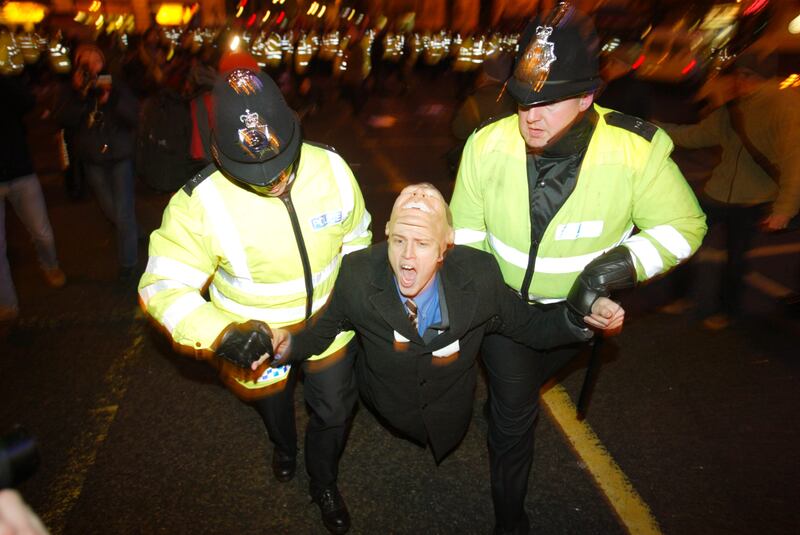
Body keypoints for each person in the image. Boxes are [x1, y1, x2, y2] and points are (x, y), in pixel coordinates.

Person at [449, 5, 707, 534]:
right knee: (512, 414)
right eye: (523, 101)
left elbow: (685, 226)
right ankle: (509, 520)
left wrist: (613, 271)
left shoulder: (635, 151)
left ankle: (506, 398)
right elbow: (468, 237)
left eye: (548, 101)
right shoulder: (486, 144)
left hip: (578, 316)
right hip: (505, 314)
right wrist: (484, 304)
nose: (531, 117)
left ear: (588, 95)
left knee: (520, 389)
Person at [137, 68, 372, 535]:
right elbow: (162, 286)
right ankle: (283, 446)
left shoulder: (331, 168)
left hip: (328, 327)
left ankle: (323, 481)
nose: (275, 181)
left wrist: (356, 302)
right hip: (257, 341)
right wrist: (221, 333)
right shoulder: (197, 204)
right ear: (219, 151)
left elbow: (357, 236)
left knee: (335, 411)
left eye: (283, 164)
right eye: (256, 174)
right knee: (274, 405)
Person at [250, 183, 623, 474]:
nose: (408, 257)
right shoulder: (358, 275)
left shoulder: (480, 277)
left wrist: (583, 316)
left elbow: (531, 327)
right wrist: (285, 344)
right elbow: (322, 333)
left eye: (423, 243)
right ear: (386, 234)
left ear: (447, 244)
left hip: (449, 416)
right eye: (399, 241)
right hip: (385, 402)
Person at [657, 50, 800, 329]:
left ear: (763, 78)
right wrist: (657, 129)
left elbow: (794, 160)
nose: (739, 80)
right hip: (717, 191)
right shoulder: (734, 107)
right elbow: (697, 136)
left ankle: (726, 311)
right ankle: (680, 297)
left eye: (747, 75)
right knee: (687, 243)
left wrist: (784, 209)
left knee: (735, 259)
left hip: (753, 199)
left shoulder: (784, 107)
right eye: (738, 74)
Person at [54, 43, 140, 280]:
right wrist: (80, 95)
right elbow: (63, 118)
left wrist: (110, 98)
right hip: (93, 158)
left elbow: (133, 116)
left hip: (119, 155)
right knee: (110, 209)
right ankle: (131, 231)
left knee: (123, 213)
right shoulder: (71, 90)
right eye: (85, 61)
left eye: (96, 60)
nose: (92, 66)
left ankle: (128, 263)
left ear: (104, 62)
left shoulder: (115, 84)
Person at [1, 72, 66, 322]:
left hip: (20, 171)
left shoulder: (7, 84)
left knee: (42, 232)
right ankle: (6, 302)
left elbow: (27, 102)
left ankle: (50, 265)